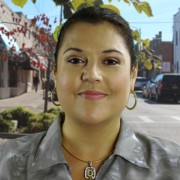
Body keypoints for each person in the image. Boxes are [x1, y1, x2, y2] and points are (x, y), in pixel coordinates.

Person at [0, 7, 180, 180]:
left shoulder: (173, 166)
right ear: (55, 71)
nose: (92, 75)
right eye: (75, 60)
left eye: (110, 61)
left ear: (132, 75)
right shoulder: (6, 163)